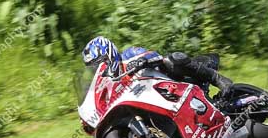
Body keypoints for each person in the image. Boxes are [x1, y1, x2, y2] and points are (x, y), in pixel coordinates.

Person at [81, 36, 234, 98]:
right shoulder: (109, 84)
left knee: (171, 59)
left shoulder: (129, 54)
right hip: (155, 100)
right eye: (94, 67)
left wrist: (142, 60)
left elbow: (154, 55)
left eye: (99, 62)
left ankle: (218, 79)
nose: (98, 68)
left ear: (108, 53)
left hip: (172, 81)